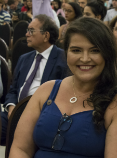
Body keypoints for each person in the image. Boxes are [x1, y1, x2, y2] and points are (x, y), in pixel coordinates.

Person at [9, 16, 117, 158]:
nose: (84, 58)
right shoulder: (46, 90)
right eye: (76, 50)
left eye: (95, 50)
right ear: (66, 53)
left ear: (107, 54)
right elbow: (20, 149)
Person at [1, 15, 68, 145]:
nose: (26, 34)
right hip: (14, 112)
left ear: (46, 36)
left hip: (41, 116)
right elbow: (13, 90)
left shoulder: (63, 59)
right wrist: (11, 107)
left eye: (31, 30)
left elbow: (63, 97)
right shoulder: (24, 58)